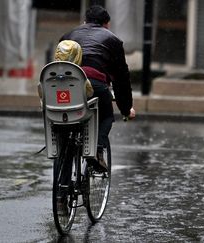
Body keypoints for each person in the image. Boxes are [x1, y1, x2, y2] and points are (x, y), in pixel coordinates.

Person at [60, 5, 136, 171]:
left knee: (65, 129)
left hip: (66, 85)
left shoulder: (68, 35)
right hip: (95, 84)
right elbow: (121, 79)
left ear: (85, 21)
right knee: (106, 116)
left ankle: (61, 192)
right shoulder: (113, 40)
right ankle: (97, 150)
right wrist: (125, 108)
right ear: (107, 24)